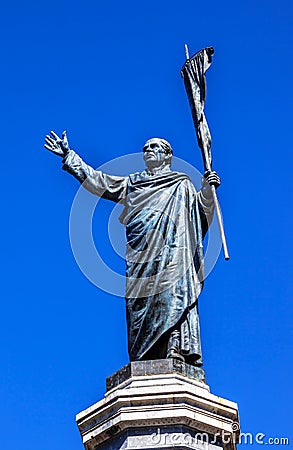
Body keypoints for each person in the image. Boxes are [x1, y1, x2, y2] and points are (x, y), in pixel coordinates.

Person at [44, 131, 220, 369]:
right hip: (140, 254)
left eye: (154, 147)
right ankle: (147, 355)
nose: (148, 150)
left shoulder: (182, 184)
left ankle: (174, 346)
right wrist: (69, 156)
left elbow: (200, 214)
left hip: (174, 250)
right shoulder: (133, 183)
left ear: (168, 156)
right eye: (146, 147)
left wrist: (208, 191)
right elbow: (98, 182)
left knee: (173, 295)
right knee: (141, 301)